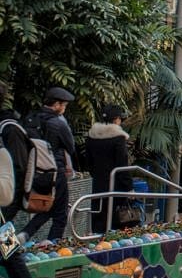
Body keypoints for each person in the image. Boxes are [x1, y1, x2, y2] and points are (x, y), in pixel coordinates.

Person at [0, 86, 47, 278]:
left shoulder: (8, 128)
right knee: (9, 256)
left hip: (2, 207)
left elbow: (16, 172)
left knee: (10, 255)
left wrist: (7, 211)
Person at [21, 87, 76, 242]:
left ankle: (18, 241)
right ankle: (52, 245)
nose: (64, 108)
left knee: (48, 207)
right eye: (64, 105)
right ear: (57, 104)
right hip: (54, 172)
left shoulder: (30, 120)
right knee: (60, 213)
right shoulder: (58, 123)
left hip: (31, 173)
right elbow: (70, 147)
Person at [86, 104, 132, 234]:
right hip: (115, 186)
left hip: (98, 185)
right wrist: (129, 187)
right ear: (117, 119)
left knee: (98, 218)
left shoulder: (92, 136)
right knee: (115, 221)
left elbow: (88, 162)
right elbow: (122, 164)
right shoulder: (118, 138)